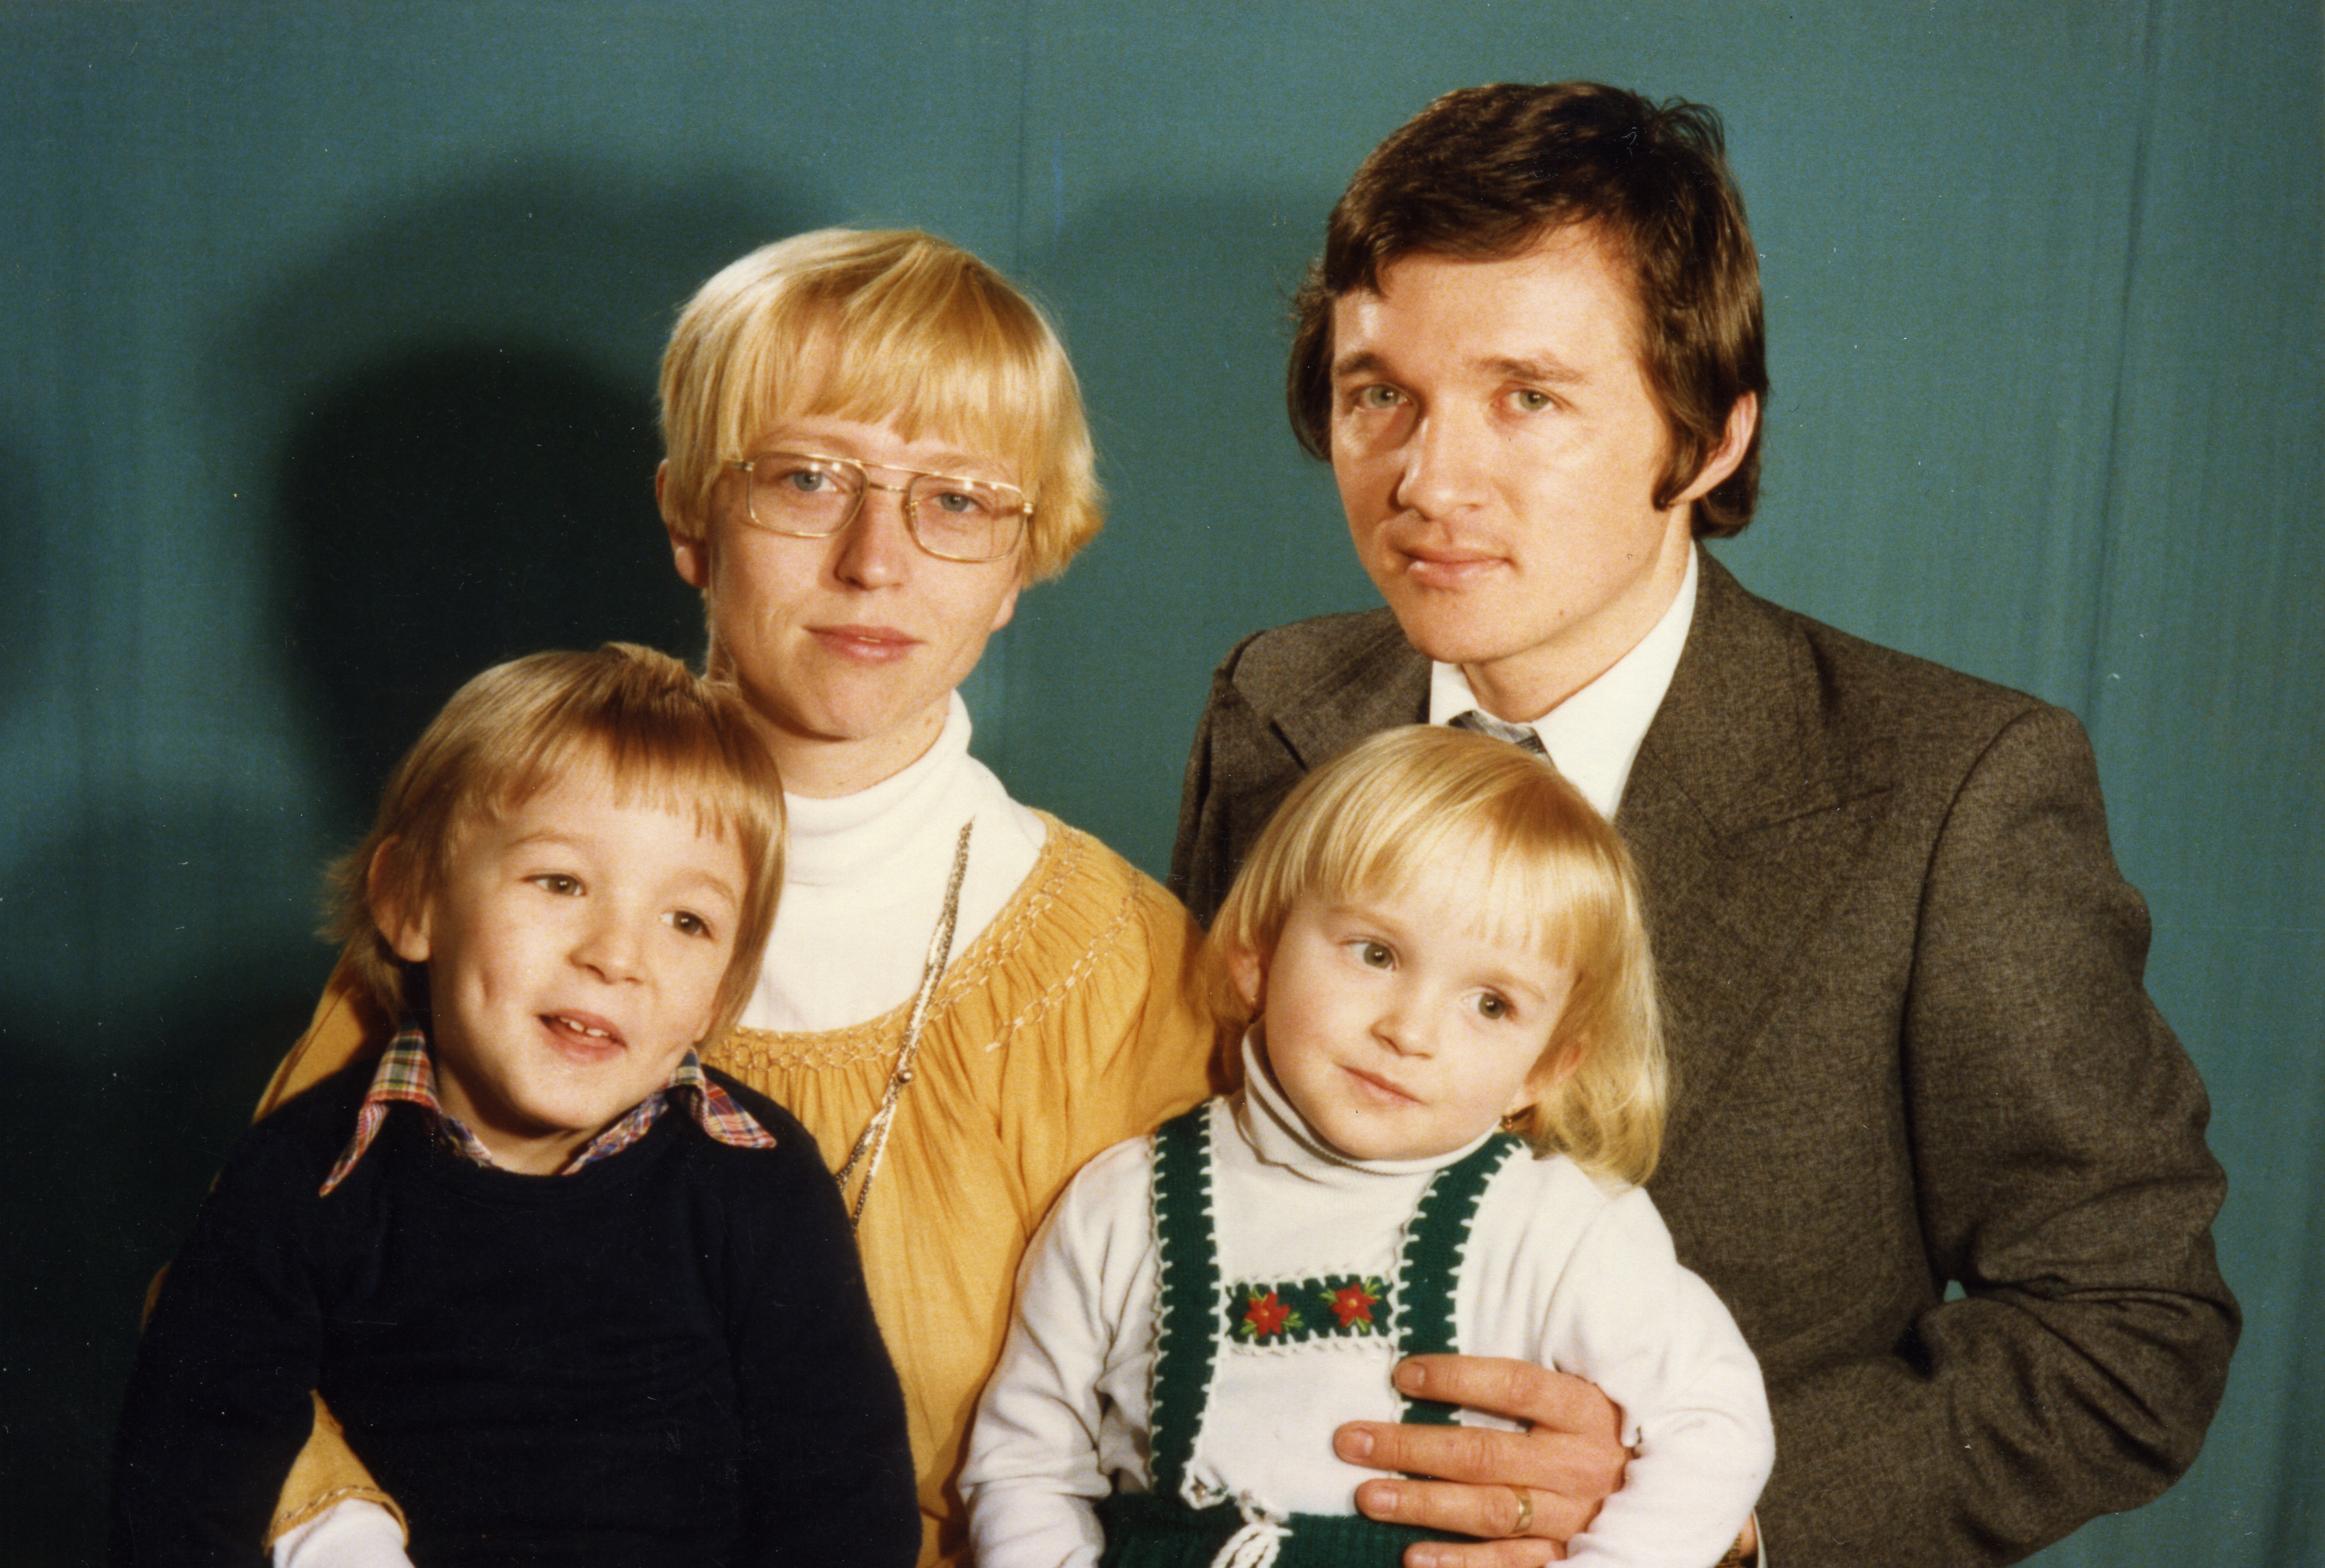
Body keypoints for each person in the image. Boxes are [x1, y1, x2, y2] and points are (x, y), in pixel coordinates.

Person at [1171, 82, 2238, 1567]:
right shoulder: (1278, 706)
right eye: (1378, 394)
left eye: (1527, 398)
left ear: (1715, 433)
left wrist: (1709, 1510)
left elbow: (2133, 1328)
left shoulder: (1956, 789)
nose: (1427, 479)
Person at [248, 230, 1224, 1567]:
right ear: (689, 520)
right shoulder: (496, 890)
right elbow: (236, 1316)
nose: (875, 558)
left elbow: (1218, 1415)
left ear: (1022, 567)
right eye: (810, 479)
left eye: (958, 502)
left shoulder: (1123, 974)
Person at [113, 644, 918, 1567]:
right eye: (561, 883)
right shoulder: (301, 1180)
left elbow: (847, 1504)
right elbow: (182, 1500)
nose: (618, 955)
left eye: (687, 921)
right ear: (411, 902)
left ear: (722, 995)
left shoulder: (756, 1180)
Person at [965, 726, 1773, 1568]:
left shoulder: (1558, 1226)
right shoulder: (1122, 1204)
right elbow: (1025, 1464)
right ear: (1258, 954)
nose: (1410, 1030)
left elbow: (1714, 1425)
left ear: (1547, 1067)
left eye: (1490, 1005)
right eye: (1376, 954)